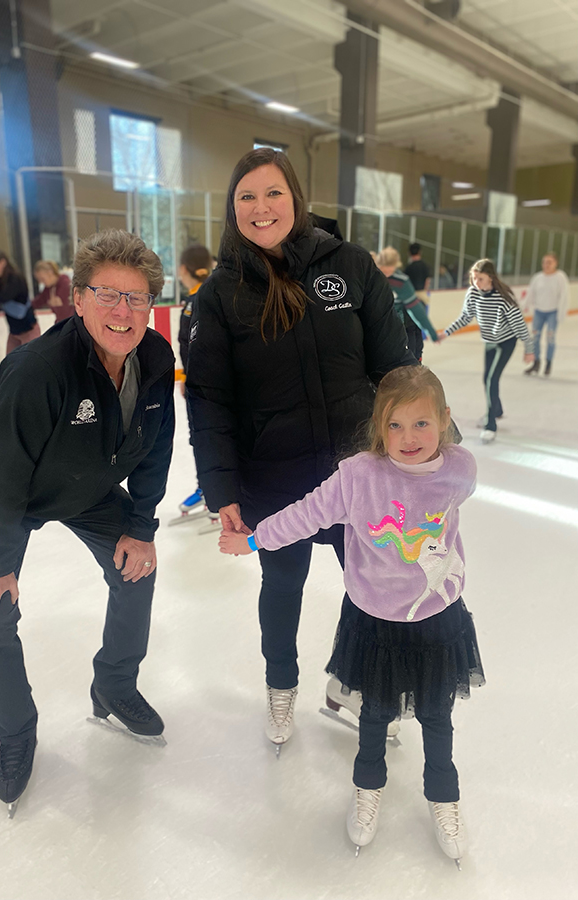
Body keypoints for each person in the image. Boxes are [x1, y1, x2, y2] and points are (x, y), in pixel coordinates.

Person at [185, 147, 415, 751]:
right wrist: (223, 489)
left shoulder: (351, 265)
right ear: (232, 210)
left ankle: (352, 685)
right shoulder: (218, 295)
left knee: (372, 589)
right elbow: (209, 401)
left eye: (273, 193)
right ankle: (280, 686)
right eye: (247, 197)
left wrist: (418, 459)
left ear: (296, 198)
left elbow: (396, 368)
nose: (261, 208)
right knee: (281, 589)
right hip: (275, 480)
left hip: (358, 477)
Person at [220, 365, 484, 866]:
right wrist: (255, 539)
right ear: (378, 426)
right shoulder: (359, 476)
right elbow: (305, 514)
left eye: (422, 424)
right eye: (395, 426)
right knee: (375, 716)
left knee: (436, 716)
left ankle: (443, 796)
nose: (409, 439)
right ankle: (368, 789)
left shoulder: (460, 470)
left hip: (437, 619)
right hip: (376, 624)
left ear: (445, 420)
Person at [0, 230, 175, 814]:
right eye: (106, 294)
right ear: (76, 300)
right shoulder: (38, 369)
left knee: (137, 570)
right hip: (6, 493)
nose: (121, 311)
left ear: (149, 307)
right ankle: (16, 731)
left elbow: (156, 447)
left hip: (87, 488)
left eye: (135, 298)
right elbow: (3, 470)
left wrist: (142, 524)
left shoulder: (154, 359)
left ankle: (115, 685)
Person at [438, 259, 533, 444]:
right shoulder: (473, 293)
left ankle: (491, 425)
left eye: (480, 278)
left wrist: (529, 350)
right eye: (474, 278)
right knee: (487, 379)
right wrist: (446, 332)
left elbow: (520, 325)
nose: (476, 283)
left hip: (506, 342)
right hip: (489, 342)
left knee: (492, 379)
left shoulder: (504, 298)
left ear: (490, 278)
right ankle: (496, 410)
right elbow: (465, 317)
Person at [176, 243, 213, 516]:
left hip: (206, 386)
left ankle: (212, 490)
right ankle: (207, 487)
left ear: (182, 269)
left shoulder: (206, 297)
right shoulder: (194, 297)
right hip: (196, 383)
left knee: (206, 437)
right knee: (199, 437)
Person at [376, 246, 439, 362]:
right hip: (378, 324)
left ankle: (416, 359)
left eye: (389, 269)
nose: (386, 273)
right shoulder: (372, 276)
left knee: (413, 330)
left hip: (401, 314)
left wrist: (430, 331)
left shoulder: (401, 280)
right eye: (383, 269)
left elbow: (416, 309)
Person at [524, 252, 570, 377]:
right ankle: (536, 362)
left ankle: (548, 363)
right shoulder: (538, 277)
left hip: (552, 312)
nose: (546, 265)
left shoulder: (560, 277)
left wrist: (561, 313)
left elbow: (564, 296)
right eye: (544, 262)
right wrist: (525, 307)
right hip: (539, 312)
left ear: (555, 263)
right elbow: (531, 293)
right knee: (535, 338)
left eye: (549, 262)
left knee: (550, 338)